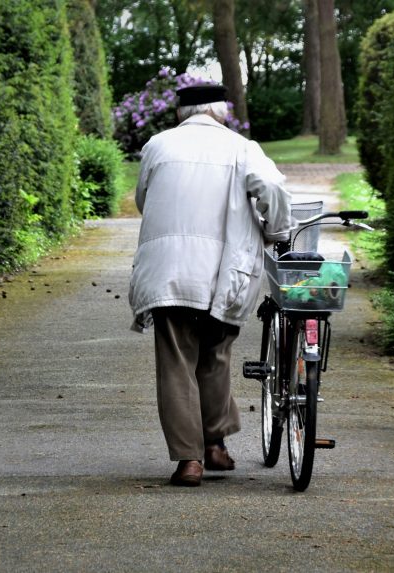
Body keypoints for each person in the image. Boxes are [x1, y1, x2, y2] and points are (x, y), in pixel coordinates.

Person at [128, 83, 293, 487]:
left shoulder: (157, 145)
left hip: (168, 271)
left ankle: (190, 460)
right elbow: (272, 189)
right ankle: (215, 444)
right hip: (224, 271)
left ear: (180, 114)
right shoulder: (242, 148)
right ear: (221, 113)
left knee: (177, 362)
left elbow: (144, 199)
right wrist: (277, 230)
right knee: (215, 354)